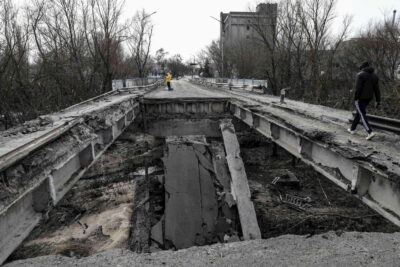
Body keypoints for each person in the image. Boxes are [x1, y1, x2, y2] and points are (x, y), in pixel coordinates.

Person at [347, 61, 381, 140]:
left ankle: (370, 132)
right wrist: (378, 100)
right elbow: (377, 90)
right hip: (369, 98)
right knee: (359, 113)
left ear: (362, 68)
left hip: (360, 98)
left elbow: (358, 88)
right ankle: (352, 129)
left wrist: (356, 98)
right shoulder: (375, 76)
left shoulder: (360, 75)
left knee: (361, 114)